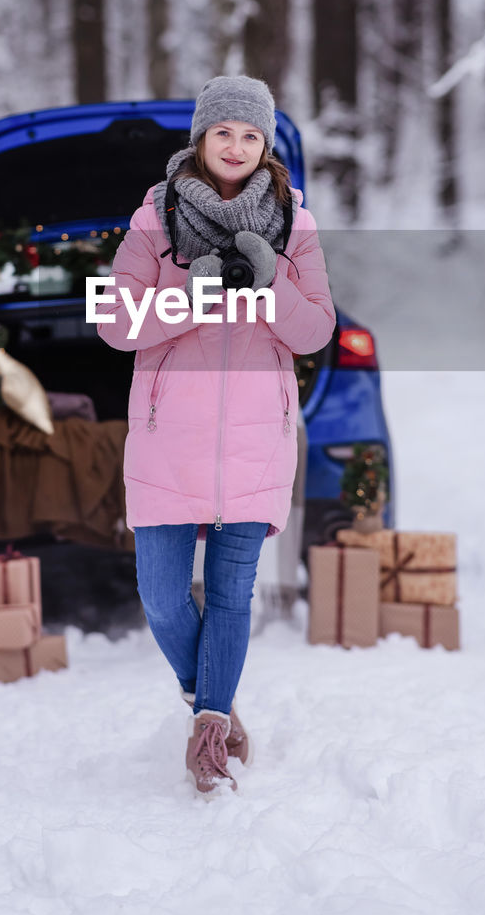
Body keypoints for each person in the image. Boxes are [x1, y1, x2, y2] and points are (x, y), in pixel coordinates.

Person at [96, 75, 335, 798]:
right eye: (223, 132)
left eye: (250, 135)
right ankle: (214, 697)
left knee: (232, 595)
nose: (235, 146)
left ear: (265, 147)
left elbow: (315, 329)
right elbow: (114, 322)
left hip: (257, 436)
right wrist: (191, 291)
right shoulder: (151, 220)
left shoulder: (296, 224)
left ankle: (207, 732)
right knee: (163, 598)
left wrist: (270, 283)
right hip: (171, 435)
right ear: (200, 139)